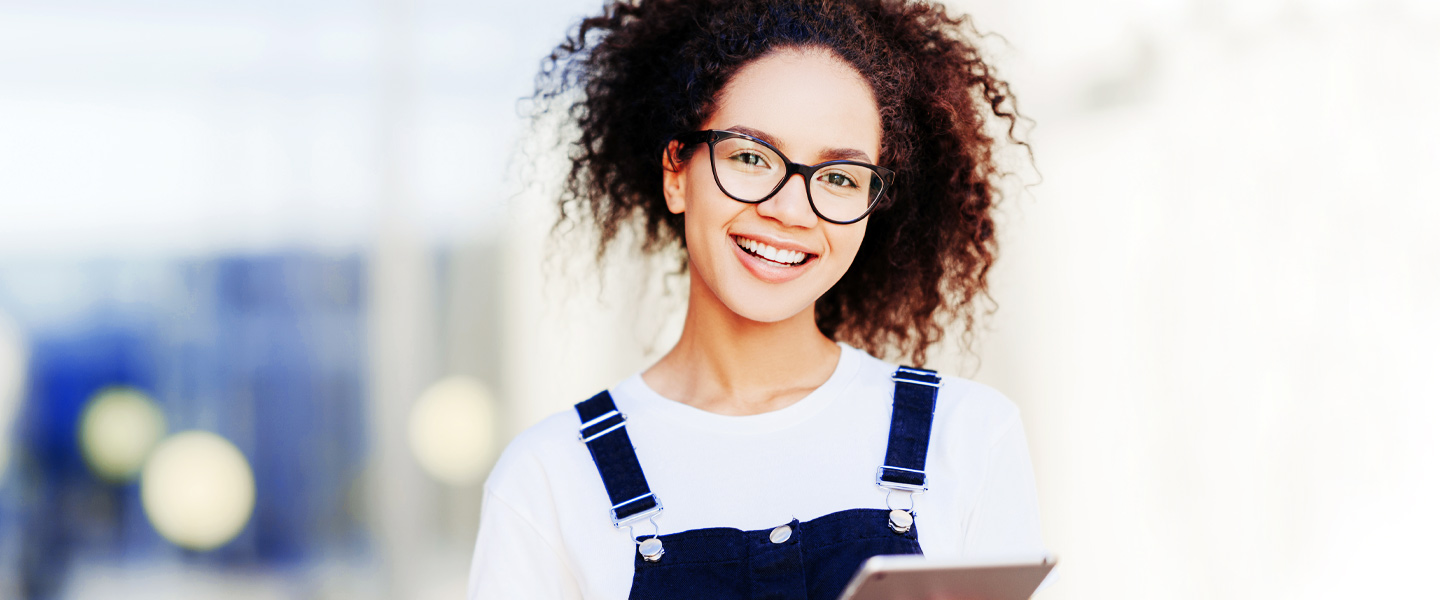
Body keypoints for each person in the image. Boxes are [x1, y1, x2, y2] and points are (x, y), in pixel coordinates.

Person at [469, 0, 1047, 597]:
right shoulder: (549, 478)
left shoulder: (970, 436)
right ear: (676, 172)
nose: (790, 210)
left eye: (841, 177)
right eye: (750, 157)